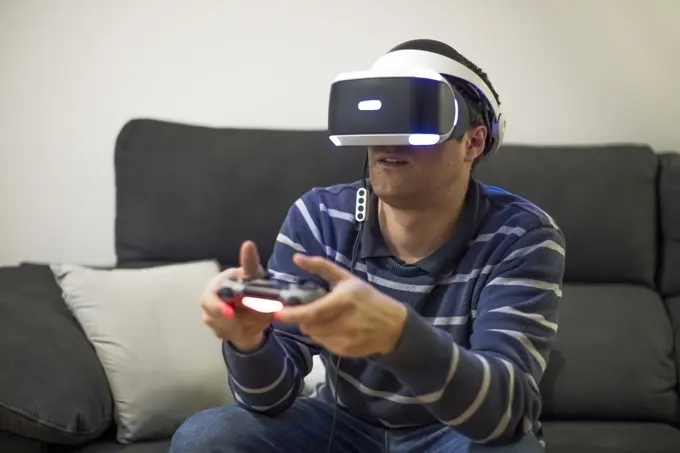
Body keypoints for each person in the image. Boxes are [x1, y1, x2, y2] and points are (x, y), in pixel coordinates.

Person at [169, 39, 565, 453]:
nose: (388, 141)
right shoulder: (320, 217)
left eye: (414, 118)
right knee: (206, 438)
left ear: (474, 142)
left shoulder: (521, 235)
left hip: (453, 434)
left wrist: (400, 337)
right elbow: (267, 399)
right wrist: (249, 342)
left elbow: (506, 412)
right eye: (378, 118)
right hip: (341, 426)